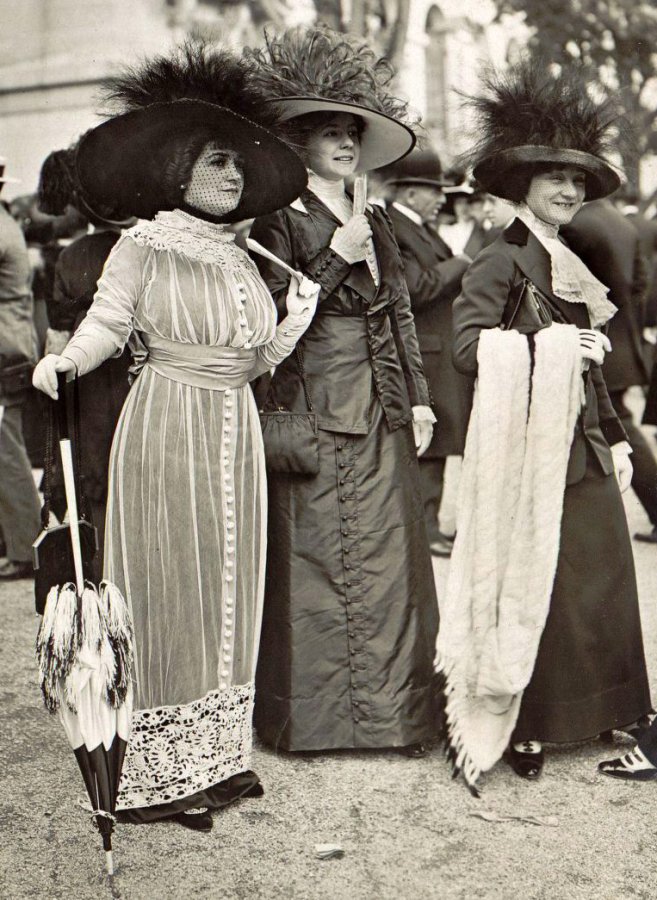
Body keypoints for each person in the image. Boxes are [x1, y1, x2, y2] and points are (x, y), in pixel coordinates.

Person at [32, 44, 318, 832]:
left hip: (233, 433)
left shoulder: (239, 256)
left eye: (239, 166)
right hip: (165, 425)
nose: (234, 177)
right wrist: (65, 362)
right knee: (165, 585)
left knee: (228, 587)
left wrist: (295, 313)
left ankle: (219, 761)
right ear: (177, 170)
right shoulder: (144, 245)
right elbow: (107, 322)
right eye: (218, 162)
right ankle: (158, 776)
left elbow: (254, 357)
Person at [436, 61, 652, 794]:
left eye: (578, 183)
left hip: (582, 446)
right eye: (555, 179)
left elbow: (589, 367)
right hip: (530, 454)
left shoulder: (567, 259)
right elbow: (466, 350)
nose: (569, 191)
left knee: (604, 584)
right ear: (521, 186)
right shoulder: (496, 263)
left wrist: (616, 439)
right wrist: (558, 347)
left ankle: (612, 710)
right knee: (543, 585)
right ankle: (529, 720)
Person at [246, 26, 440, 756]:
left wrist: (418, 397)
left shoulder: (378, 218)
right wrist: (334, 256)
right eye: (329, 132)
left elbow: (397, 312)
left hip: (382, 405)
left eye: (351, 133)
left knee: (390, 562)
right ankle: (318, 720)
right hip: (315, 405)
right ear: (297, 143)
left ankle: (395, 717)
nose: (345, 144)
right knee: (316, 562)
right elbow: (272, 320)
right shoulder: (276, 219)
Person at [385, 151, 472, 556]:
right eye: (433, 191)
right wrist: (460, 263)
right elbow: (416, 289)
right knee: (430, 443)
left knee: (436, 443)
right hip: (426, 350)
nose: (441, 199)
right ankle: (425, 530)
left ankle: (430, 525)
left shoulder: (417, 227)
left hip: (436, 349)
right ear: (409, 191)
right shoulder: (398, 229)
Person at [562, 199, 657, 545]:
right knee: (616, 426)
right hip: (623, 341)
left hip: (599, 344)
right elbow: (640, 284)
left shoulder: (574, 226)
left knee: (618, 428)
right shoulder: (622, 221)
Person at [0, 156, 41, 579]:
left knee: (5, 451)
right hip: (12, 345)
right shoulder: (7, 224)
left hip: (4, 350)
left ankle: (25, 548)